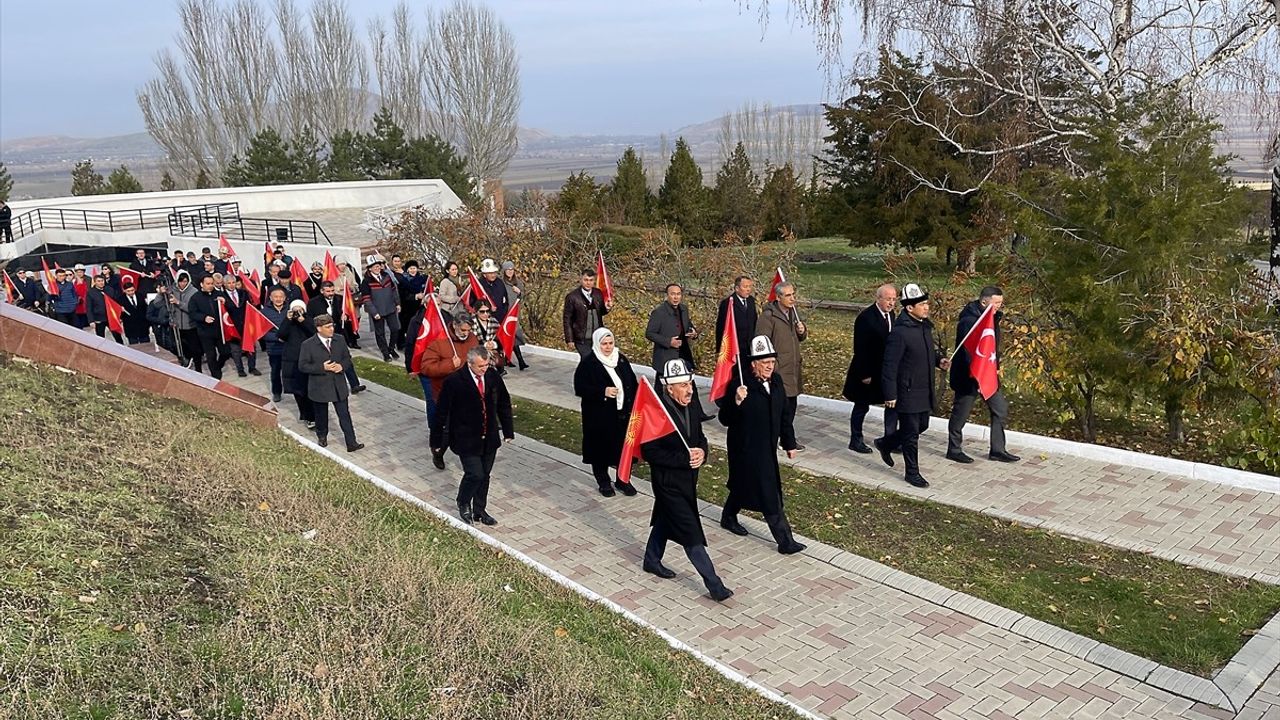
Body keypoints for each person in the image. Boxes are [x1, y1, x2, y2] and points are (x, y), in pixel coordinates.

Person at [642, 358, 733, 603]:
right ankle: (715, 585)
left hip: (688, 480)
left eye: (690, 383)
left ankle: (651, 559)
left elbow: (699, 438)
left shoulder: (692, 406)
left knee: (665, 519)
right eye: (682, 385)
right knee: (690, 531)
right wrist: (684, 458)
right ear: (669, 388)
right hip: (667, 482)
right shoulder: (656, 412)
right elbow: (650, 451)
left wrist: (703, 453)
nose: (689, 390)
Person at [716, 335, 806, 555]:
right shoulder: (740, 383)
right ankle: (785, 540)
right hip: (745, 447)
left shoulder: (776, 382)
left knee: (742, 484)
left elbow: (785, 415)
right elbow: (725, 418)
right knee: (768, 491)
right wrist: (736, 401)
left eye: (772, 362)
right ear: (753, 363)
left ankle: (728, 516)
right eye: (764, 362)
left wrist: (789, 443)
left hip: (767, 446)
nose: (769, 366)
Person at [877, 283, 952, 488]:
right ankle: (912, 473)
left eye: (927, 303)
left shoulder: (924, 327)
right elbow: (889, 366)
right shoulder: (900, 333)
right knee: (910, 435)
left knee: (923, 426)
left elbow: (925, 353)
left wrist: (939, 361)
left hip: (924, 389)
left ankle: (886, 443)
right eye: (922, 304)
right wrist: (890, 393)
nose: (927, 307)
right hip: (907, 391)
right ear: (909, 308)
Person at [430, 346, 515, 526]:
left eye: (486, 365)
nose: (483, 369)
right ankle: (463, 502)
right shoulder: (455, 381)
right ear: (469, 364)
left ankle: (479, 510)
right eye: (480, 366)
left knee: (485, 475)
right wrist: (436, 441)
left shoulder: (492, 376)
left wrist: (508, 430)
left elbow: (503, 402)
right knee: (474, 474)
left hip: (489, 435)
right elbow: (441, 412)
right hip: (465, 437)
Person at [948, 286, 1020, 464]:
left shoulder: (991, 317)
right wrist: (974, 373)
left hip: (987, 374)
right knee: (961, 414)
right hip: (968, 375)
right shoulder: (969, 320)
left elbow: (991, 346)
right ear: (984, 302)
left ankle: (997, 449)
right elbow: (968, 351)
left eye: (1000, 303)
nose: (999, 306)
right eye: (996, 303)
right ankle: (954, 449)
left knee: (1000, 409)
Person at [573, 328, 639, 497]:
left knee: (624, 450)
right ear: (597, 344)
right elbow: (580, 387)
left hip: (623, 415)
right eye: (604, 344)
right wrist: (602, 391)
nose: (608, 347)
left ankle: (622, 480)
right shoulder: (589, 363)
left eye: (610, 343)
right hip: (600, 417)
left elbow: (632, 382)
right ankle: (603, 481)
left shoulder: (621, 359)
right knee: (600, 450)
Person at [416, 311, 480, 468]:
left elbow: (477, 358)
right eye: (463, 330)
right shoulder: (439, 341)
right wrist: (450, 365)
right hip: (446, 395)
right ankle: (438, 452)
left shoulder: (472, 339)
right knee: (446, 431)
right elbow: (426, 368)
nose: (466, 334)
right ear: (455, 325)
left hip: (468, 394)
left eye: (469, 330)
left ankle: (471, 461)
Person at [843, 283, 899, 453]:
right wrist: (864, 373)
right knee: (862, 406)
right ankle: (856, 439)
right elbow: (860, 348)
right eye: (888, 299)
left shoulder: (891, 315)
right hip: (866, 371)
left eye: (894, 299)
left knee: (891, 404)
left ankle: (890, 440)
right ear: (878, 298)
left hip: (884, 370)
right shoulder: (866, 318)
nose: (891, 303)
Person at [299, 314, 364, 452]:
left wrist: (341, 366)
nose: (331, 329)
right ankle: (322, 436)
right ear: (318, 328)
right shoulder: (308, 345)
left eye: (332, 326)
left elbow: (347, 358)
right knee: (321, 415)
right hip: (319, 386)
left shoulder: (339, 339)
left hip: (338, 385)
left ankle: (351, 442)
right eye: (327, 327)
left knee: (344, 415)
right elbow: (303, 366)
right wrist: (322, 367)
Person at [755, 280, 807, 447]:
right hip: (778, 370)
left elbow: (799, 337)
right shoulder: (768, 317)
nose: (792, 299)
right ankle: (774, 437)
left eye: (793, 294)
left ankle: (787, 438)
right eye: (788, 295)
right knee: (778, 406)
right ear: (778, 297)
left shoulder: (793, 313)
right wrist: (772, 367)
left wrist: (802, 331)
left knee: (791, 405)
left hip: (793, 368)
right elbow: (761, 343)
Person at [307, 280, 364, 393]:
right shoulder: (313, 302)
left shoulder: (339, 299)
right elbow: (310, 319)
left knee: (345, 359)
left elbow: (345, 311)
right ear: (322, 291)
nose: (331, 293)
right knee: (326, 360)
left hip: (338, 334)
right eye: (328, 291)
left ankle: (354, 384)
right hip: (322, 336)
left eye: (332, 290)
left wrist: (345, 316)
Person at [279, 299, 316, 428]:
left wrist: (303, 321)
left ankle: (312, 416)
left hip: (308, 358)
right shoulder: (288, 322)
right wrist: (288, 320)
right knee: (297, 390)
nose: (297, 312)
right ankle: (304, 414)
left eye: (300, 309)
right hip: (292, 359)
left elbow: (314, 331)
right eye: (295, 310)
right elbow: (281, 335)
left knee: (308, 389)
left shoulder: (309, 319)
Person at [645, 282, 699, 372]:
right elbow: (649, 333)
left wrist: (694, 334)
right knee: (663, 385)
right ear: (667, 295)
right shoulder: (659, 312)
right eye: (673, 294)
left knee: (686, 385)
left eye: (678, 294)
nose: (676, 297)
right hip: (665, 358)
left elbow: (688, 325)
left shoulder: (683, 309)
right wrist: (669, 342)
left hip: (683, 355)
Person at [360, 254, 401, 362]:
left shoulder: (386, 276)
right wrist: (374, 312)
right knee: (380, 333)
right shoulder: (366, 282)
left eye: (378, 266)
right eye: (375, 267)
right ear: (369, 268)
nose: (377, 268)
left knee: (395, 329)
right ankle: (385, 352)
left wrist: (397, 303)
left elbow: (394, 291)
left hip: (390, 308)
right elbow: (367, 299)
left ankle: (391, 348)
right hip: (377, 311)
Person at [562, 268, 611, 357]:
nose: (588, 283)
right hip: (581, 338)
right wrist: (569, 339)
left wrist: (607, 308)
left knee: (596, 361)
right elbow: (567, 319)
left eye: (591, 280)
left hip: (597, 337)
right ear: (581, 280)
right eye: (586, 280)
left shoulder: (598, 293)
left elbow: (601, 312)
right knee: (587, 359)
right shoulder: (572, 297)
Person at [188, 274, 229, 379]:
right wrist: (203, 318)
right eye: (208, 284)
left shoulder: (219, 294)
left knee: (225, 352)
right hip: (205, 331)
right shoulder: (195, 297)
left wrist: (225, 302)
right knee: (211, 356)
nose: (210, 286)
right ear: (202, 284)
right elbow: (192, 313)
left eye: (212, 283)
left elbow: (229, 308)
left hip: (220, 330)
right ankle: (216, 376)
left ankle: (217, 367)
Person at [715, 275, 757, 366]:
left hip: (749, 348)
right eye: (745, 287)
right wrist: (721, 350)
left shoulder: (751, 301)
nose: (748, 289)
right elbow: (721, 327)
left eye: (750, 286)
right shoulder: (728, 303)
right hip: (734, 348)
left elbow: (754, 322)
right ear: (737, 288)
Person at [221, 275, 258, 377]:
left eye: (233, 282)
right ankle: (240, 369)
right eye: (229, 283)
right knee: (236, 350)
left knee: (251, 347)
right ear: (224, 284)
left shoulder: (243, 293)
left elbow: (250, 307)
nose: (231, 285)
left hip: (246, 325)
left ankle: (252, 367)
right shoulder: (221, 296)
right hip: (232, 327)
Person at [261, 287, 289, 402]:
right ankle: (276, 392)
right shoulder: (264, 312)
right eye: (276, 297)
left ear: (285, 298)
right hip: (274, 348)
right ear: (271, 298)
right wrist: (278, 338)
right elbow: (263, 333)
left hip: (289, 346)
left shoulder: (290, 310)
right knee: (276, 371)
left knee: (291, 369)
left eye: (281, 297)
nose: (278, 299)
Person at [499, 261, 529, 370]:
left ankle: (515, 360)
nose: (510, 272)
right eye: (508, 270)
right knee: (508, 335)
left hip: (515, 313)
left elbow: (523, 297)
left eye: (511, 270)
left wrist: (519, 292)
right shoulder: (501, 283)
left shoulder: (518, 283)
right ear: (504, 271)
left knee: (514, 335)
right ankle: (516, 360)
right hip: (505, 313)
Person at [169, 271, 201, 370]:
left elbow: (192, 309)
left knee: (195, 348)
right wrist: (160, 294)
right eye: (181, 281)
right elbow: (160, 304)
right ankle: (186, 361)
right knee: (178, 346)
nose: (183, 284)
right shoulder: (171, 290)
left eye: (185, 281)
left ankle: (198, 367)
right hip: (177, 325)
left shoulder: (194, 291)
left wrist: (178, 302)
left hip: (190, 325)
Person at [397, 260, 427, 347]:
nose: (413, 270)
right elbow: (402, 295)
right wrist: (415, 296)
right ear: (407, 270)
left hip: (418, 307)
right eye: (411, 268)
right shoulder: (403, 280)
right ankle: (401, 343)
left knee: (416, 327)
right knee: (404, 327)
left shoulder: (422, 279)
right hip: (406, 308)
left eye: (414, 268)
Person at [85, 274, 122, 343]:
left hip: (111, 317)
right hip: (99, 319)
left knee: (117, 336)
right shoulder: (90, 292)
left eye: (102, 281)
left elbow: (115, 303)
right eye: (98, 281)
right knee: (100, 338)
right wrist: (91, 321)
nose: (101, 283)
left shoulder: (110, 289)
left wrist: (118, 316)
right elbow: (89, 308)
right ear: (95, 282)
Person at [472, 300, 505, 374]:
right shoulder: (472, 322)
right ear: (476, 311)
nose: (485, 314)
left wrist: (494, 344)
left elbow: (501, 339)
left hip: (493, 356)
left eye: (487, 311)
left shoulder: (494, 321)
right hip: (478, 355)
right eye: (482, 311)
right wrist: (485, 345)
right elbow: (471, 341)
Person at [118, 279, 151, 345]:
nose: (131, 293)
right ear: (124, 291)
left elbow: (145, 308)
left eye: (132, 290)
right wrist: (120, 311)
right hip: (130, 328)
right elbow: (119, 315)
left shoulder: (140, 295)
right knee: (134, 346)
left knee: (146, 346)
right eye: (128, 291)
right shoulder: (120, 299)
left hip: (143, 326)